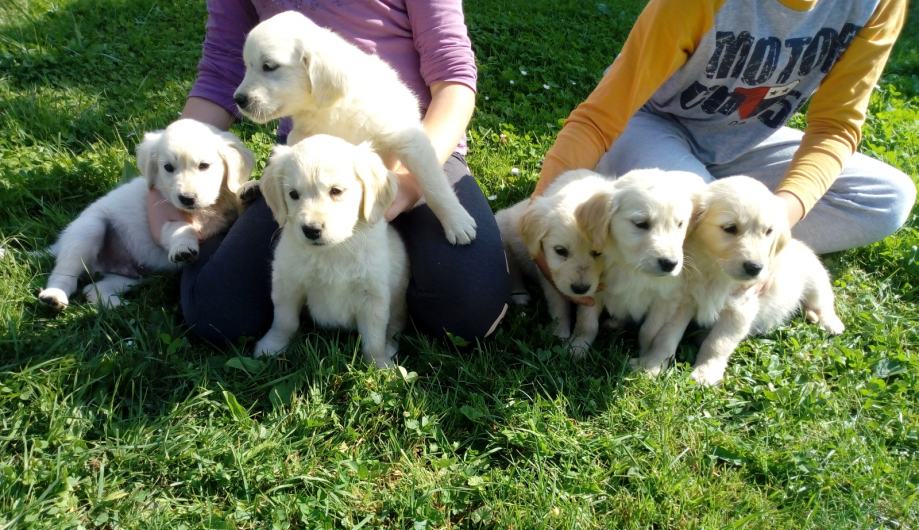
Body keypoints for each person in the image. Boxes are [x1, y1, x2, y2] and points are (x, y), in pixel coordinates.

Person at [149, 0, 509, 346]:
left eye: (269, 68)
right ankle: (227, 218)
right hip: (307, 174)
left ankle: (385, 292)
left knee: (470, 313)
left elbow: (453, 78)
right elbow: (220, 73)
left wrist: (406, 187)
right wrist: (168, 174)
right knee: (216, 314)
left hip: (423, 151)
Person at [534, 0, 915, 269]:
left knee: (889, 197)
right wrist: (543, 217)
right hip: (649, 126)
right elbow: (600, 118)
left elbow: (835, 128)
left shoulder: (876, 3)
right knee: (701, 203)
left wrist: (778, 218)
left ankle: (719, 245)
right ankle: (713, 248)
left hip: (749, 138)